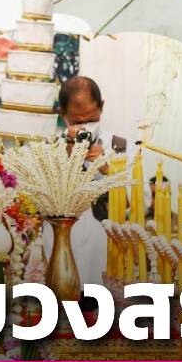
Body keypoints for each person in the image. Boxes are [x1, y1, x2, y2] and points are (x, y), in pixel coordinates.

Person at [43, 76, 109, 289]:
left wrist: (109, 170)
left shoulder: (119, 146)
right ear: (63, 114)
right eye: (78, 122)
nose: (86, 127)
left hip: (104, 256)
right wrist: (67, 157)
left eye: (92, 119)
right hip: (59, 253)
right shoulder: (48, 149)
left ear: (102, 107)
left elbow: (134, 205)